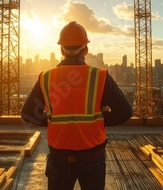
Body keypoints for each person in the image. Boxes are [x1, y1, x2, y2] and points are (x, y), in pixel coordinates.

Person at [21, 21, 133, 190]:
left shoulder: (46, 77)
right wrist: (100, 120)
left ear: (61, 50)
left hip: (59, 158)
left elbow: (28, 114)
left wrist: (51, 120)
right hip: (92, 157)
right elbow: (125, 112)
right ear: (86, 50)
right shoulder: (100, 77)